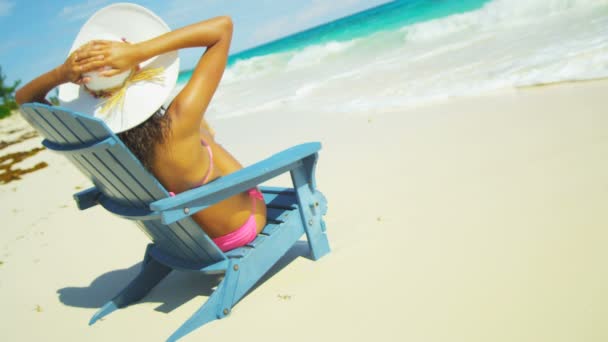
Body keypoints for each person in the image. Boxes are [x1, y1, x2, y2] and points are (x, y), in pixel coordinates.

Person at [15, 3, 266, 252]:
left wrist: (61, 73)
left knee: (197, 133)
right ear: (138, 71)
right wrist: (138, 52)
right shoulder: (179, 121)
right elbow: (222, 27)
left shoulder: (99, 142)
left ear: (86, 89)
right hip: (238, 230)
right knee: (201, 133)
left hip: (185, 243)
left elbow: (24, 100)